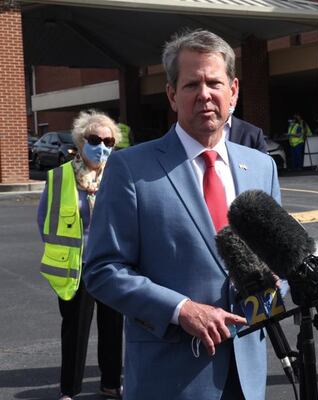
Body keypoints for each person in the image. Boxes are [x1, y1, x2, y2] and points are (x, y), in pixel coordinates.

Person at [83, 29, 280, 400]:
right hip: (170, 378)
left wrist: (278, 281)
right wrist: (181, 309)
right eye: (191, 85)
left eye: (214, 82)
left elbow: (277, 260)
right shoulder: (130, 169)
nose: (204, 94)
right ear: (172, 95)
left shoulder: (261, 167)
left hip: (247, 375)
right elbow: (103, 270)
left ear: (233, 91)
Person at [37, 110, 123, 400]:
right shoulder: (61, 177)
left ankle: (111, 383)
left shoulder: (118, 176)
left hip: (111, 265)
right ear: (80, 140)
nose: (102, 147)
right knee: (74, 330)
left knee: (112, 327)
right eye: (95, 139)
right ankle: (69, 390)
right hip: (76, 265)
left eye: (109, 142)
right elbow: (44, 221)